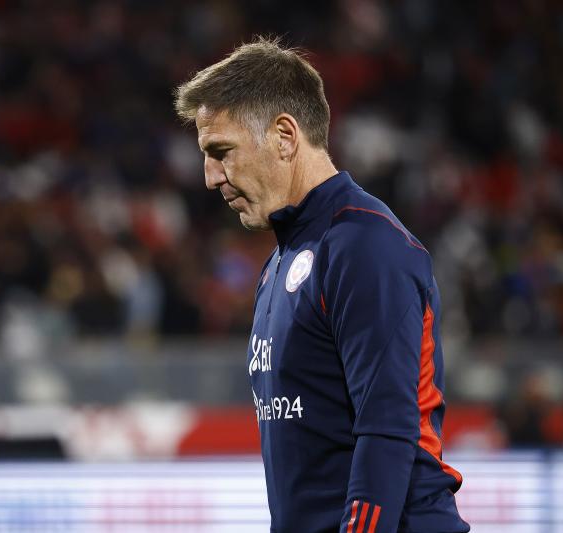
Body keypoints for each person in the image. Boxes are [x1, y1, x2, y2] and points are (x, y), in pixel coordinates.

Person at [174, 37, 469, 533]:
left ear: (284, 136)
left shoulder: (364, 245)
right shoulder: (280, 263)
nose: (210, 177)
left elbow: (387, 430)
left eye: (221, 152)